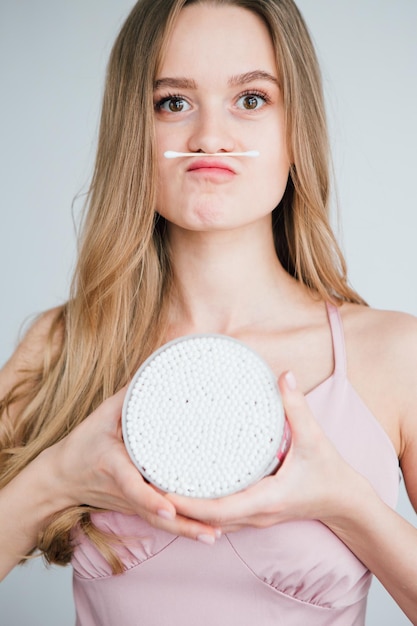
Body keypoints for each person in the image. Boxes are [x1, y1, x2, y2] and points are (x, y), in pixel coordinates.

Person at [0, 0, 416, 624]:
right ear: (132, 133)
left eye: (251, 99)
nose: (209, 137)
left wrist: (347, 502)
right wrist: (55, 480)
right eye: (174, 102)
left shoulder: (393, 356)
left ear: (296, 130)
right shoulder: (65, 345)